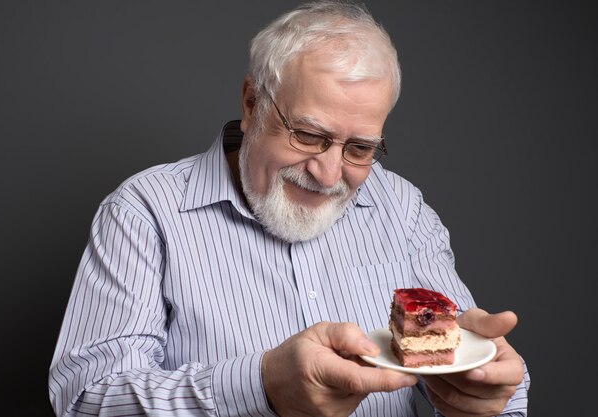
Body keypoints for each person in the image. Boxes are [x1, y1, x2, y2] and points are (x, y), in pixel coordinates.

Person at [49, 1, 530, 416]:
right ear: (252, 101)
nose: (327, 174)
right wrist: (261, 387)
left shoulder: (401, 207)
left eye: (359, 149)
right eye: (307, 135)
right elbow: (84, 399)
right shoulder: (145, 211)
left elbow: (470, 368)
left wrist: (486, 396)